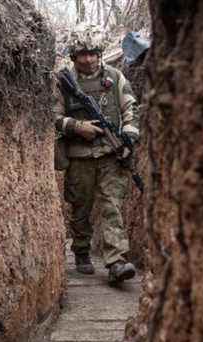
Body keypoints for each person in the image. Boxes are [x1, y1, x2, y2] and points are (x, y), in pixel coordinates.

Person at [54, 24, 139, 284]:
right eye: (82, 54)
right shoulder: (64, 82)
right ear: (74, 56)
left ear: (99, 53)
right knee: (81, 207)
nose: (88, 59)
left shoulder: (115, 77)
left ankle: (117, 262)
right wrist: (78, 127)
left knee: (112, 205)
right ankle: (81, 250)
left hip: (111, 155)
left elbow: (130, 109)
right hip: (80, 157)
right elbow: (53, 116)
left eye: (92, 53)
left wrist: (129, 135)